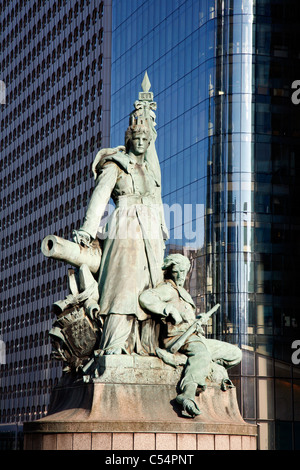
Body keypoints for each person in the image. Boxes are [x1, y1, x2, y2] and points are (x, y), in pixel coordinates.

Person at [73, 107, 168, 356]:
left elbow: (156, 200)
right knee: (123, 285)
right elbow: (100, 198)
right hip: (125, 226)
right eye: (136, 138)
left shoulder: (149, 170)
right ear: (129, 139)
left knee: (149, 287)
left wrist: (162, 231)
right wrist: (87, 230)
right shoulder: (116, 165)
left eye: (145, 140)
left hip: (151, 233)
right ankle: (115, 344)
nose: (141, 143)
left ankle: (146, 346)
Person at [139, 254, 242, 418]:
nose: (181, 276)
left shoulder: (182, 292)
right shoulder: (167, 289)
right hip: (179, 338)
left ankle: (198, 365)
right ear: (170, 271)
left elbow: (187, 317)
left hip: (195, 337)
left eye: (183, 272)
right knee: (201, 354)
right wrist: (170, 310)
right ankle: (187, 393)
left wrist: (197, 320)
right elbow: (146, 298)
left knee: (235, 354)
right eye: (177, 272)